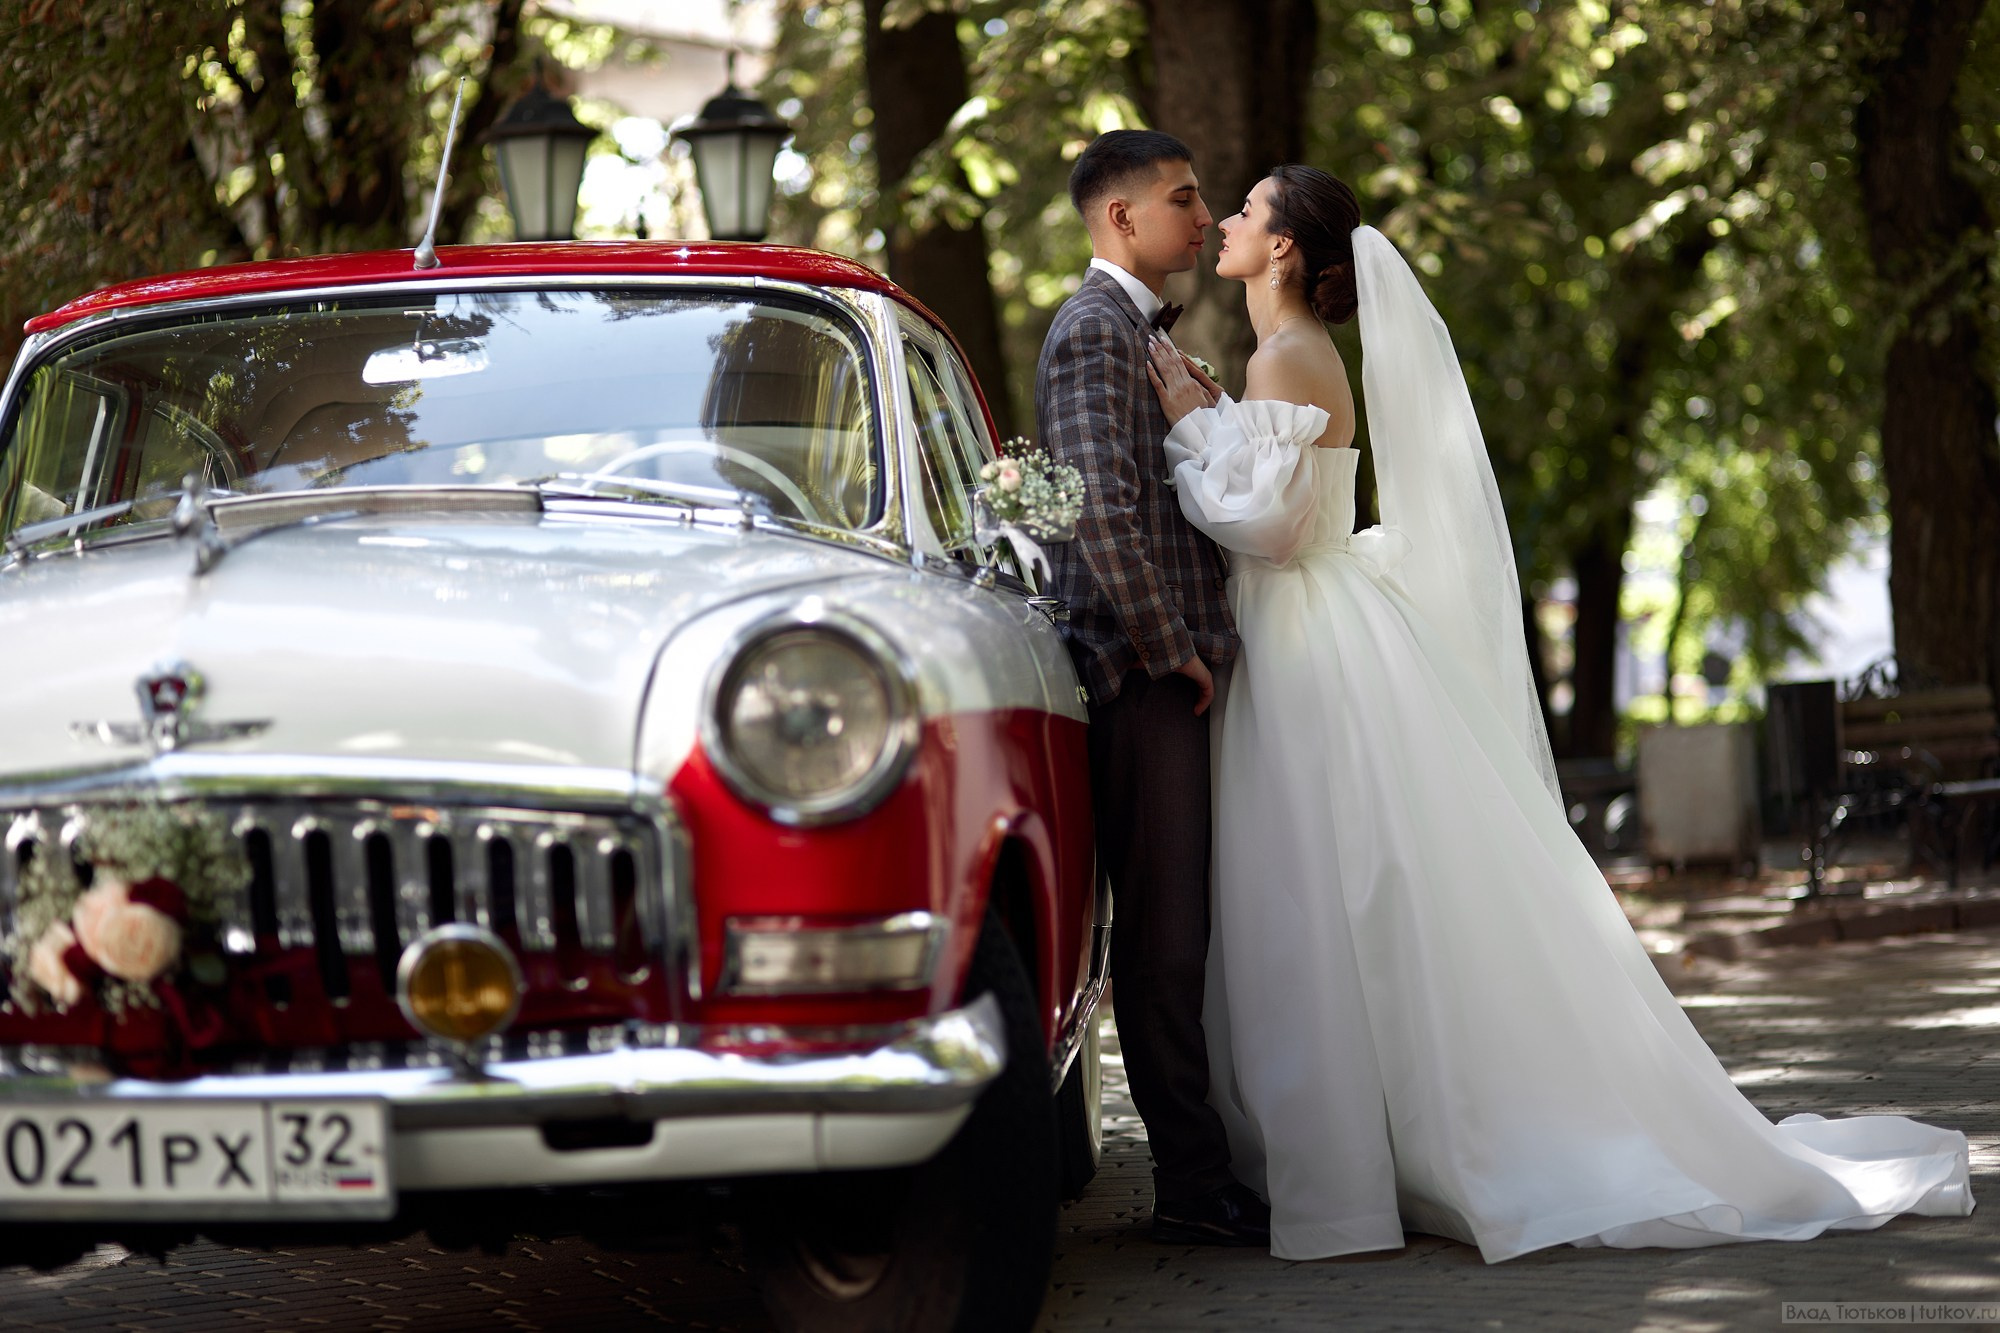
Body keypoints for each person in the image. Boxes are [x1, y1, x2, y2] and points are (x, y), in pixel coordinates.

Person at [1142, 163, 1975, 1263]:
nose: (1227, 225)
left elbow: (1276, 528)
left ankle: (1347, 1172)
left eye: (1245, 210)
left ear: (1285, 248)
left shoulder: (1288, 353)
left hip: (1306, 635)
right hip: (1304, 632)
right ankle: (1356, 1151)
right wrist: (1212, 414)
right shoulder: (1279, 356)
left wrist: (1186, 426)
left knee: (1319, 888)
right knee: (1329, 892)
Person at [1036, 129, 1270, 1246]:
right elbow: (1093, 507)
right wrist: (1169, 644)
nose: (1200, 213)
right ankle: (1190, 1183)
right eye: (1183, 200)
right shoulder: (1092, 331)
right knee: (1164, 939)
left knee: (1178, 932)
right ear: (1120, 218)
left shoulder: (1132, 333)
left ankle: (1199, 1167)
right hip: (1138, 678)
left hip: (1160, 667)